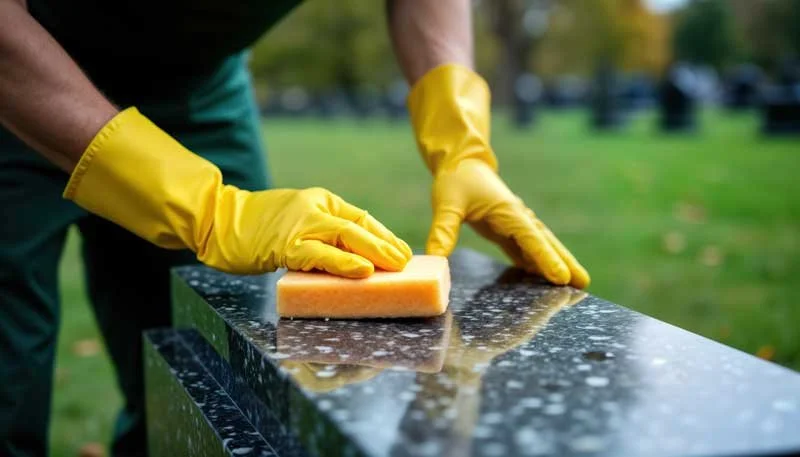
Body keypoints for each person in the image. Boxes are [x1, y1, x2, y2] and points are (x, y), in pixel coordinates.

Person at [0, 0, 591, 455]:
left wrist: (462, 142)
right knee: (9, 377)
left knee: (206, 389)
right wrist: (208, 210)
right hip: (20, 75)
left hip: (201, 93)